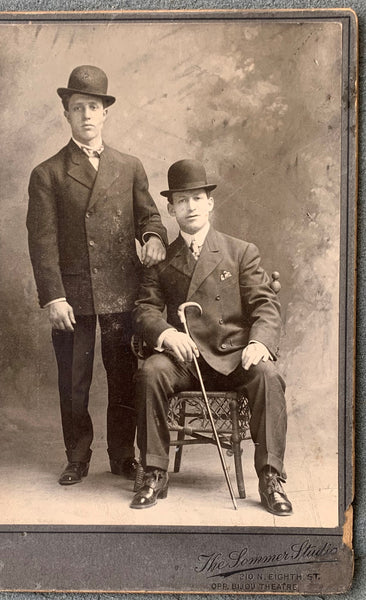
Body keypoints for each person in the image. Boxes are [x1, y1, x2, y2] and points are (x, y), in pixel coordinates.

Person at [27, 65, 167, 486]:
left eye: (93, 107)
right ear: (66, 115)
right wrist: (54, 297)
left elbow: (150, 216)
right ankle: (77, 456)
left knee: (124, 382)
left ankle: (123, 457)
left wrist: (154, 237)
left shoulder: (129, 166)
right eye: (77, 108)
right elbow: (42, 242)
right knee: (74, 384)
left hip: (123, 298)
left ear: (106, 113)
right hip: (73, 299)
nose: (86, 115)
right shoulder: (47, 173)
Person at [130, 159, 292, 516]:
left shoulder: (240, 251)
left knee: (269, 376)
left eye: (197, 199)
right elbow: (145, 310)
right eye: (182, 201)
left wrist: (259, 343)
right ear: (170, 209)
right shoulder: (160, 261)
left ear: (210, 203)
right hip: (184, 361)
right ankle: (154, 472)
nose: (190, 207)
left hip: (234, 355)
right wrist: (167, 334)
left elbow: (265, 305)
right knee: (150, 372)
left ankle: (271, 477)